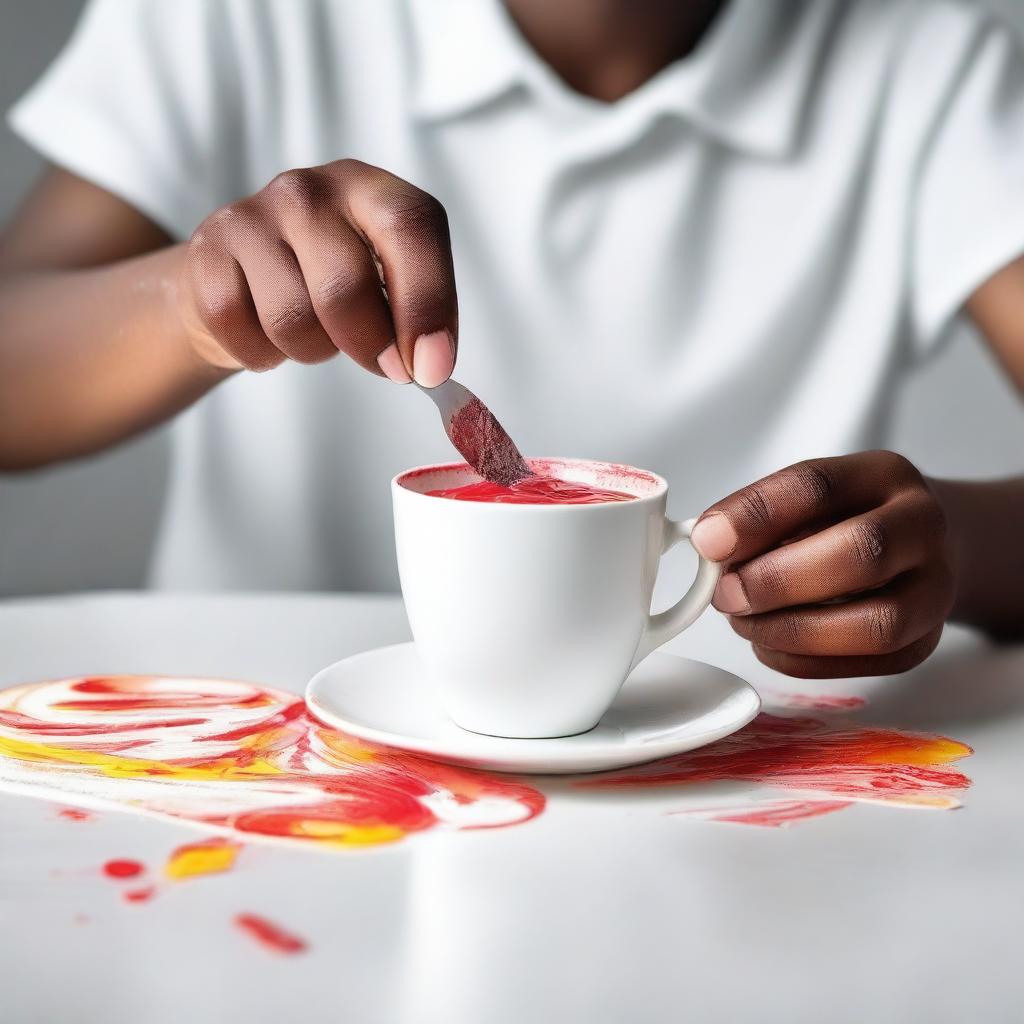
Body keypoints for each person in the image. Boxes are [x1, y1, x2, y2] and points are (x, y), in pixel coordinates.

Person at [1, 0, 1023, 679]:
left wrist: (960, 547)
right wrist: (192, 307)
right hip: (250, 745)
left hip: (720, 787)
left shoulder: (928, 59)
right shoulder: (236, 18)